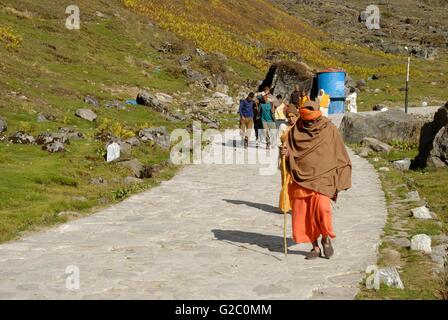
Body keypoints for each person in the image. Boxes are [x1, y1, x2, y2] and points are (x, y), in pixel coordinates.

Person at [281, 101, 352, 260]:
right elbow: (290, 153)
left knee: (322, 209)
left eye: (312, 119)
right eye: (307, 120)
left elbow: (339, 151)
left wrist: (342, 173)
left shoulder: (329, 129)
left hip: (324, 176)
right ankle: (314, 246)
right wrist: (286, 154)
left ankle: (326, 238)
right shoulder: (295, 131)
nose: (310, 122)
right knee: (305, 214)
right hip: (301, 177)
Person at [278, 105, 299, 214]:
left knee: (295, 183)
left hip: (296, 160)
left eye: (293, 116)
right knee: (285, 182)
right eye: (289, 116)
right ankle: (286, 205)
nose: (291, 119)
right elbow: (278, 142)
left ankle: (296, 205)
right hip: (284, 159)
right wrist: (282, 147)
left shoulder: (300, 127)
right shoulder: (283, 127)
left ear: (297, 115)